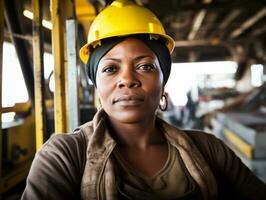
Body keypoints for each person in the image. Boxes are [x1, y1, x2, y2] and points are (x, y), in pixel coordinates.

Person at [21, 0, 266, 199]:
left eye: (145, 67)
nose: (127, 79)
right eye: (110, 69)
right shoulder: (64, 157)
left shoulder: (210, 150)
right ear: (96, 84)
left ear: (163, 82)